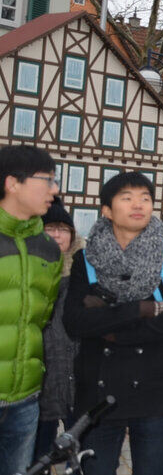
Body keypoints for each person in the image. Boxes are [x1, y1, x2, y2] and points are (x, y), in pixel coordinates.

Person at [64, 172, 163, 475]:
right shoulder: (86, 259)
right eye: (127, 197)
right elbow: (74, 322)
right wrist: (140, 309)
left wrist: (110, 330)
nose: (139, 204)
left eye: (145, 198)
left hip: (154, 389)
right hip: (97, 392)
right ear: (107, 210)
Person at [0, 145, 61, 474]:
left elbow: (43, 318)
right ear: (12, 183)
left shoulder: (49, 250)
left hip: (25, 400)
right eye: (47, 179)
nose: (56, 189)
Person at [33, 198, 80, 464]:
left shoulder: (85, 269)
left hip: (78, 374)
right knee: (39, 453)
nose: (57, 234)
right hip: (42, 376)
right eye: (50, 228)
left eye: (63, 228)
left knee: (80, 454)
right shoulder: (32, 269)